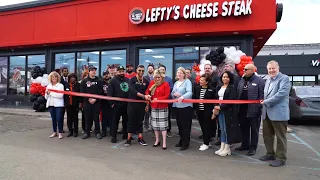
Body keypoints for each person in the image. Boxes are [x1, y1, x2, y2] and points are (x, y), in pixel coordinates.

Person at [259, 60, 291, 167]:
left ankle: (281, 158)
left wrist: (265, 102)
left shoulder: (284, 79)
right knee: (267, 136)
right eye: (269, 69)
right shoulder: (268, 80)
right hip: (267, 112)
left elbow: (281, 94)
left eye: (273, 68)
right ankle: (270, 154)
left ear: (278, 68)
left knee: (280, 137)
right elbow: (266, 95)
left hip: (279, 113)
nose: (271, 70)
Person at [236, 64, 265, 156]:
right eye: (244, 69)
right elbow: (238, 92)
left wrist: (258, 107)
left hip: (253, 110)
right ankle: (245, 144)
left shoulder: (259, 81)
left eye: (246, 69)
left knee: (254, 129)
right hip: (242, 109)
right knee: (244, 128)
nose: (244, 71)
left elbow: (262, 95)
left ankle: (253, 147)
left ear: (252, 70)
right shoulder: (242, 79)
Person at [214, 71, 242, 156]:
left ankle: (227, 148)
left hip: (228, 111)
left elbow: (231, 100)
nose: (225, 78)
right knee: (222, 129)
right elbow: (216, 98)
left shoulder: (232, 88)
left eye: (227, 77)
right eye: (223, 77)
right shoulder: (219, 87)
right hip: (220, 111)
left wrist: (221, 107)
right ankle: (222, 147)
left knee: (227, 129)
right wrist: (216, 107)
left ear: (230, 78)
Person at [145, 69, 170, 150]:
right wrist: (147, 95)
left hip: (163, 107)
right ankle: (157, 140)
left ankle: (164, 142)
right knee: (155, 126)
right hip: (154, 107)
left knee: (163, 126)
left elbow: (167, 95)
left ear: (162, 77)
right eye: (155, 77)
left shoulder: (166, 84)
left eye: (158, 77)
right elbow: (147, 91)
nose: (157, 79)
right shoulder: (152, 83)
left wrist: (157, 98)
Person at [125, 65, 149, 147]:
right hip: (132, 105)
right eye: (139, 70)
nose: (141, 72)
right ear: (136, 70)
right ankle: (128, 139)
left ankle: (140, 138)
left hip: (141, 105)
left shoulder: (146, 81)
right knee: (131, 121)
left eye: (142, 70)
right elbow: (133, 91)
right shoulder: (132, 80)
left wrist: (147, 104)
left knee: (140, 121)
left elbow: (147, 93)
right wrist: (143, 96)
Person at [171, 67, 193, 151]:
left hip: (185, 107)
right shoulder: (176, 82)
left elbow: (189, 92)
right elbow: (172, 92)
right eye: (178, 73)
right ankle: (181, 140)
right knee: (179, 125)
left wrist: (182, 96)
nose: (179, 74)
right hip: (177, 106)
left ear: (184, 74)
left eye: (181, 73)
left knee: (185, 125)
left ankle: (185, 143)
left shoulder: (187, 82)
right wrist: (174, 94)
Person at [193, 74, 216, 151]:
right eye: (200, 79)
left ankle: (206, 143)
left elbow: (214, 102)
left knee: (207, 127)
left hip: (208, 112)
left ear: (207, 82)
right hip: (200, 111)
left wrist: (214, 112)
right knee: (202, 127)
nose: (200, 81)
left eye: (202, 80)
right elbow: (195, 99)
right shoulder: (197, 88)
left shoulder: (212, 90)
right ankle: (206, 141)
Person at [108, 65, 130, 143]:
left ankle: (125, 134)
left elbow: (129, 90)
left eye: (122, 71)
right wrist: (112, 104)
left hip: (126, 104)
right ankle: (114, 136)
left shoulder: (127, 80)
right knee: (115, 121)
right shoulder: (113, 81)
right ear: (117, 72)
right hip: (116, 105)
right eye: (120, 71)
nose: (121, 73)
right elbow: (109, 93)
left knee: (126, 120)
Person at [81, 66, 103, 140]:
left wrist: (95, 99)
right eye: (92, 70)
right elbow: (82, 92)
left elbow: (101, 91)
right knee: (87, 118)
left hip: (96, 103)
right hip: (87, 103)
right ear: (89, 72)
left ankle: (97, 132)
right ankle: (87, 132)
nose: (94, 72)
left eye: (95, 70)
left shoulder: (99, 81)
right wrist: (89, 99)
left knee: (96, 118)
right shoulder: (84, 81)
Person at [45, 71, 65, 139]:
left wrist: (51, 93)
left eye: (55, 77)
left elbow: (60, 95)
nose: (54, 78)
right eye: (53, 77)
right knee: (53, 119)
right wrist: (47, 94)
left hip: (59, 105)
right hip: (51, 104)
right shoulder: (48, 86)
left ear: (57, 78)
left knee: (59, 118)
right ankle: (54, 132)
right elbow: (46, 97)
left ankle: (60, 132)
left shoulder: (60, 86)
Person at [158, 64, 173, 138]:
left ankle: (168, 130)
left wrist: (163, 91)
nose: (162, 71)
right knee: (158, 116)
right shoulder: (156, 78)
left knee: (167, 116)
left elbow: (171, 88)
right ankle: (158, 130)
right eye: (161, 69)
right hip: (158, 101)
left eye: (163, 69)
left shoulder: (169, 79)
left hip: (167, 100)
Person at [64, 73, 81, 137]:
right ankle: (70, 130)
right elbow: (64, 95)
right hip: (68, 104)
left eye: (74, 77)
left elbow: (80, 95)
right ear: (69, 79)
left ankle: (75, 131)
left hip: (75, 104)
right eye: (71, 78)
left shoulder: (78, 85)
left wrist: (80, 103)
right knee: (69, 118)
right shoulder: (66, 85)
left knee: (75, 118)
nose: (72, 79)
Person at [143, 64, 154, 131]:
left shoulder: (155, 77)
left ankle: (152, 126)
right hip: (147, 97)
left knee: (152, 113)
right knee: (146, 113)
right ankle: (146, 126)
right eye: (149, 68)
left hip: (153, 97)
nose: (150, 69)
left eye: (151, 68)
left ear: (153, 69)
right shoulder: (144, 77)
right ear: (147, 69)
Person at [101, 70, 112, 137]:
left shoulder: (112, 81)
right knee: (104, 118)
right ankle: (104, 131)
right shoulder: (101, 82)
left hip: (111, 102)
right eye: (105, 74)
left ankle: (112, 131)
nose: (106, 75)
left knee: (111, 117)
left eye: (107, 74)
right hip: (103, 102)